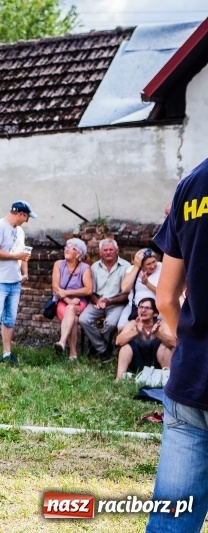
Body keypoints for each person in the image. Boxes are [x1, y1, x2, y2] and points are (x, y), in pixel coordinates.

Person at [145, 157, 208, 533]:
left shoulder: (192, 184)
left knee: (171, 523)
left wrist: (191, 343)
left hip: (191, 380)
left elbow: (166, 297)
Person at [0, 200, 35, 367]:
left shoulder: (20, 231)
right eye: (27, 217)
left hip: (15, 282)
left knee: (9, 320)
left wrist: (25, 273)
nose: (27, 221)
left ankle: (7, 353)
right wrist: (16, 256)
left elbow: (23, 254)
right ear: (21, 214)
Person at [78, 238, 130, 363]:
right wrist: (97, 301)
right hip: (98, 303)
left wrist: (109, 301)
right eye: (105, 250)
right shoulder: (95, 267)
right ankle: (103, 349)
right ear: (100, 252)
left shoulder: (126, 267)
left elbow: (127, 294)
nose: (108, 252)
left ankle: (98, 347)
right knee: (83, 319)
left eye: (111, 249)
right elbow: (90, 291)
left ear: (117, 251)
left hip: (117, 303)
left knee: (111, 324)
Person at [114, 297, 175, 382]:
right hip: (137, 364)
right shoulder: (133, 324)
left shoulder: (162, 325)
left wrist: (158, 333)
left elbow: (174, 343)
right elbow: (118, 341)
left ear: (155, 313)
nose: (143, 310)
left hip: (157, 364)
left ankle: (168, 379)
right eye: (140, 307)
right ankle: (119, 378)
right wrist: (136, 331)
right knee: (125, 347)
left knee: (164, 347)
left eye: (147, 308)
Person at [51, 238, 93, 360]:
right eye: (66, 247)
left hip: (80, 302)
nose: (67, 249)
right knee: (73, 318)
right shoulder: (58, 264)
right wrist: (69, 300)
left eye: (71, 248)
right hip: (61, 301)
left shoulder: (85, 268)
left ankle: (62, 342)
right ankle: (72, 353)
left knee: (71, 310)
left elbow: (88, 290)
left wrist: (67, 292)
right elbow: (55, 287)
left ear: (78, 253)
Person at [117, 248, 161, 329]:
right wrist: (136, 267)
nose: (152, 266)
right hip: (135, 306)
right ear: (141, 265)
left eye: (154, 262)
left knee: (156, 329)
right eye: (148, 264)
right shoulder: (132, 269)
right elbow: (125, 288)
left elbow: (164, 294)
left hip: (156, 308)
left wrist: (147, 284)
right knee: (121, 327)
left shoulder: (161, 268)